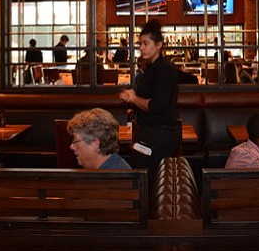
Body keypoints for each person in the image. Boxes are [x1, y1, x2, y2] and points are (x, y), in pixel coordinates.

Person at [119, 20, 180, 175]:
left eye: (145, 44)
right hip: (149, 132)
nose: (141, 48)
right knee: (139, 173)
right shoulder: (150, 68)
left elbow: (157, 106)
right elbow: (144, 96)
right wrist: (131, 96)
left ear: (158, 45)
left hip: (161, 134)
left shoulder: (165, 70)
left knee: (139, 174)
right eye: (140, 44)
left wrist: (133, 99)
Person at [67, 108, 131, 170]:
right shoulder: (113, 168)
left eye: (75, 141)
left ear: (95, 144)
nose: (72, 146)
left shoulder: (115, 178)